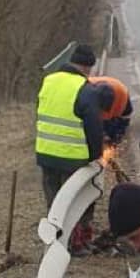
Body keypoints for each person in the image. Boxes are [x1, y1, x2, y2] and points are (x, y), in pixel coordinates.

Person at [35, 44, 107, 252]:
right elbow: (94, 127)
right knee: (76, 202)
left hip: (46, 153)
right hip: (73, 158)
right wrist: (96, 157)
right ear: (87, 67)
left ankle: (55, 241)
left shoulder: (48, 80)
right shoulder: (85, 89)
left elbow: (40, 111)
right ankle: (75, 244)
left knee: (55, 202)